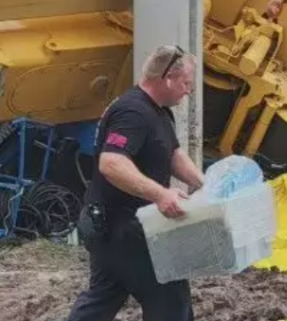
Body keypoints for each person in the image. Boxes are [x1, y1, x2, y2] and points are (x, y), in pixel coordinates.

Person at [65, 44, 205, 321]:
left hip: (113, 227)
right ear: (167, 79)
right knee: (170, 296)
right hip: (122, 228)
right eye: (186, 83)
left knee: (103, 298)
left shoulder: (160, 111)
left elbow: (173, 154)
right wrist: (161, 195)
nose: (189, 90)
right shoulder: (133, 113)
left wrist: (205, 184)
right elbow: (112, 163)